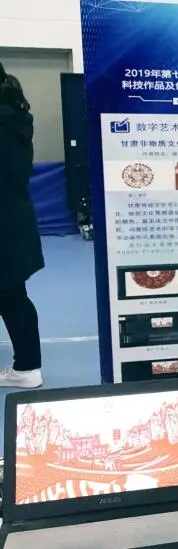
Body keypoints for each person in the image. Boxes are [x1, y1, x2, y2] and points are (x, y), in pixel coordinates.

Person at [0, 62, 45, 389]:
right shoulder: (14, 119)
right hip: (14, 219)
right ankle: (28, 366)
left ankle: (28, 367)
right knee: (13, 295)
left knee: (12, 297)